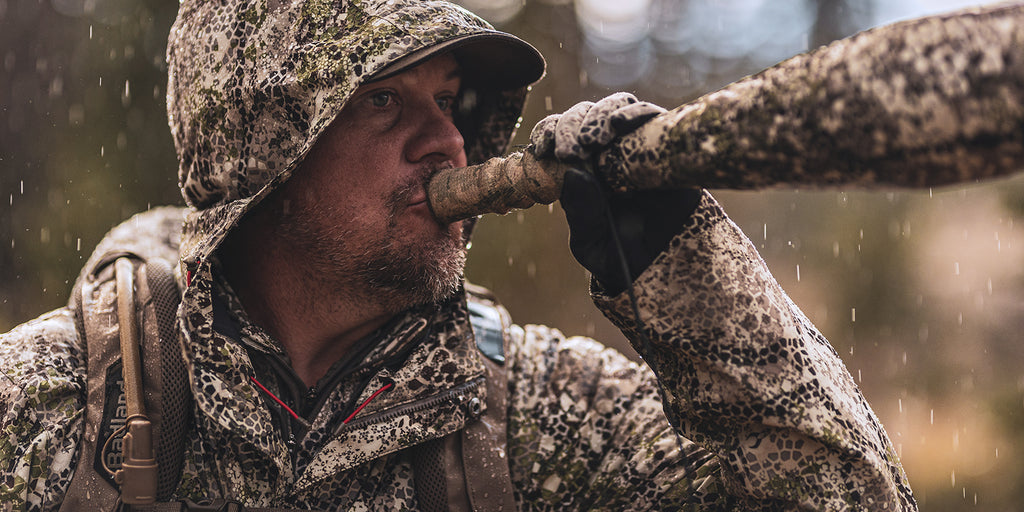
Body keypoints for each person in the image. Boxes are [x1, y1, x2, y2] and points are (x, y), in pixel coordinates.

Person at [0, 0, 916, 510]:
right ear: (264, 152)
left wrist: (692, 282)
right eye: (384, 104)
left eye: (450, 102)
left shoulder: (535, 415)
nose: (450, 144)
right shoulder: (51, 408)